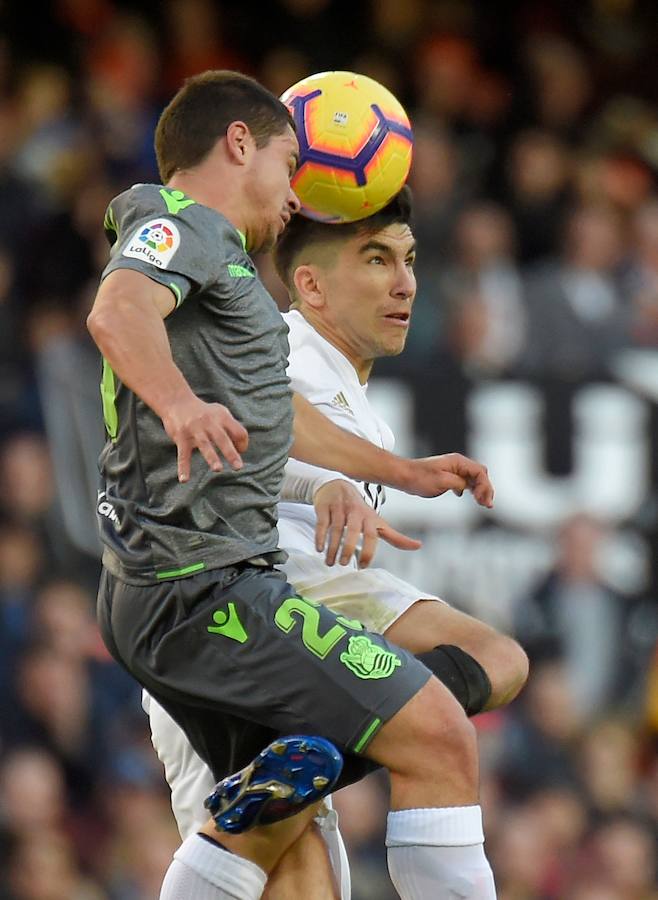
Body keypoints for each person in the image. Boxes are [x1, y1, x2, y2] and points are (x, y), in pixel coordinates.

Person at [86, 69, 504, 900]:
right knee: (438, 734)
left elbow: (278, 417)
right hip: (205, 588)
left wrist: (399, 472)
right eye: (288, 166)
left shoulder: (230, 274)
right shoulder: (180, 222)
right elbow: (117, 311)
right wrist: (178, 405)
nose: (293, 195)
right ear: (239, 143)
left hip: (196, 591)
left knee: (297, 877)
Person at [145, 185, 529, 898]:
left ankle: (307, 759)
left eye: (410, 260)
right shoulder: (281, 344)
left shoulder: (357, 401)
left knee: (494, 658)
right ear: (311, 285)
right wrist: (316, 485)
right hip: (241, 617)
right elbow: (227, 434)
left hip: (316, 611)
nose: (406, 282)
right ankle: (293, 774)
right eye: (377, 260)